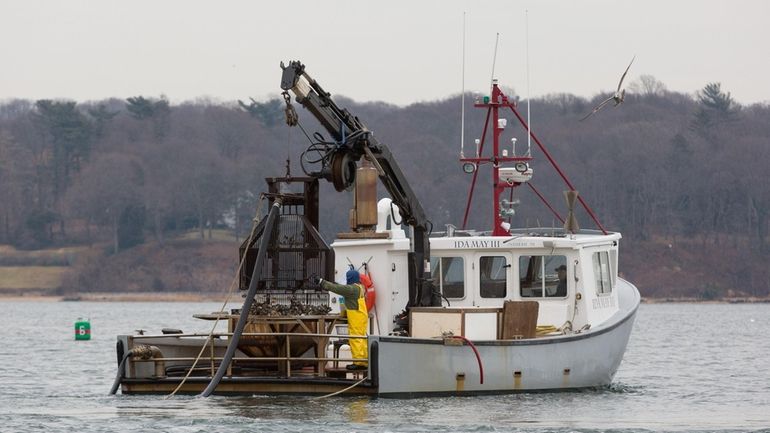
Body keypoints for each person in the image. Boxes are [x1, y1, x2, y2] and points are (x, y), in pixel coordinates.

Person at [314, 269, 368, 370]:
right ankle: (364, 361)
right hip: (361, 315)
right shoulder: (360, 288)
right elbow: (342, 288)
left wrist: (322, 282)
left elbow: (337, 288)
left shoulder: (351, 289)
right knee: (361, 339)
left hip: (356, 317)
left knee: (355, 339)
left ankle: (359, 363)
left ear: (350, 278)